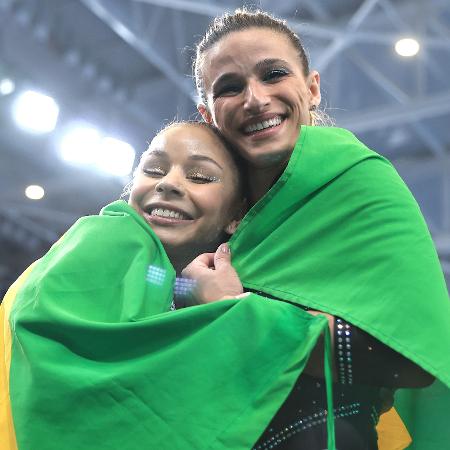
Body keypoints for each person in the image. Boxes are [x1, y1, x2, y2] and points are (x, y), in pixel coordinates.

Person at [188, 8, 450, 450]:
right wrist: (176, 284)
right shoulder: (202, 212)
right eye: (229, 88)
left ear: (311, 88)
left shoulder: (360, 184)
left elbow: (409, 358)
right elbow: (147, 284)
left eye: (273, 74)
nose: (254, 98)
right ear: (208, 114)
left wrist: (236, 312)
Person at [0, 121, 337, 450]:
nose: (169, 184)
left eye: (200, 177)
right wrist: (228, 308)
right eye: (153, 170)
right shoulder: (109, 236)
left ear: (238, 214)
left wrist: (201, 295)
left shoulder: (161, 277)